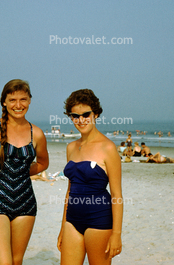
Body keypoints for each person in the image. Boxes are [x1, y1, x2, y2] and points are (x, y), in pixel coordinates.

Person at [0, 79, 49, 265]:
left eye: (23, 99)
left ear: (30, 100)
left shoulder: (37, 134)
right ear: (4, 102)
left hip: (26, 204)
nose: (18, 105)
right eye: (12, 100)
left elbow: (43, 163)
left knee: (16, 261)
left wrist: (22, 172)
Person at [57, 89, 123, 264]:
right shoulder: (71, 147)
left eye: (86, 114)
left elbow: (117, 195)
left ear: (96, 114)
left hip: (99, 219)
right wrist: (62, 227)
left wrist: (116, 234)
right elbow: (69, 190)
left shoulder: (108, 148)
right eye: (75, 116)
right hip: (72, 220)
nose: (81, 120)